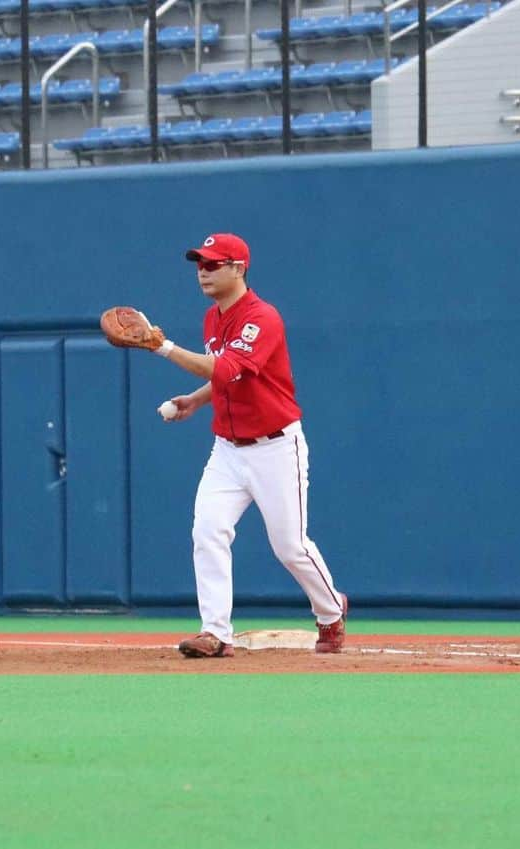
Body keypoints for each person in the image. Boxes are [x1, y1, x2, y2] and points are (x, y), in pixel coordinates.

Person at [153, 232, 347, 658]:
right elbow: (225, 377)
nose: (202, 272)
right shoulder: (212, 319)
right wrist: (196, 399)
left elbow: (229, 368)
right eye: (199, 264)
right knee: (207, 531)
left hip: (276, 447)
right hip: (227, 448)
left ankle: (332, 610)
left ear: (238, 268)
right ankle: (215, 633)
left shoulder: (263, 317)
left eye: (212, 264)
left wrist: (163, 347)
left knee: (290, 547)